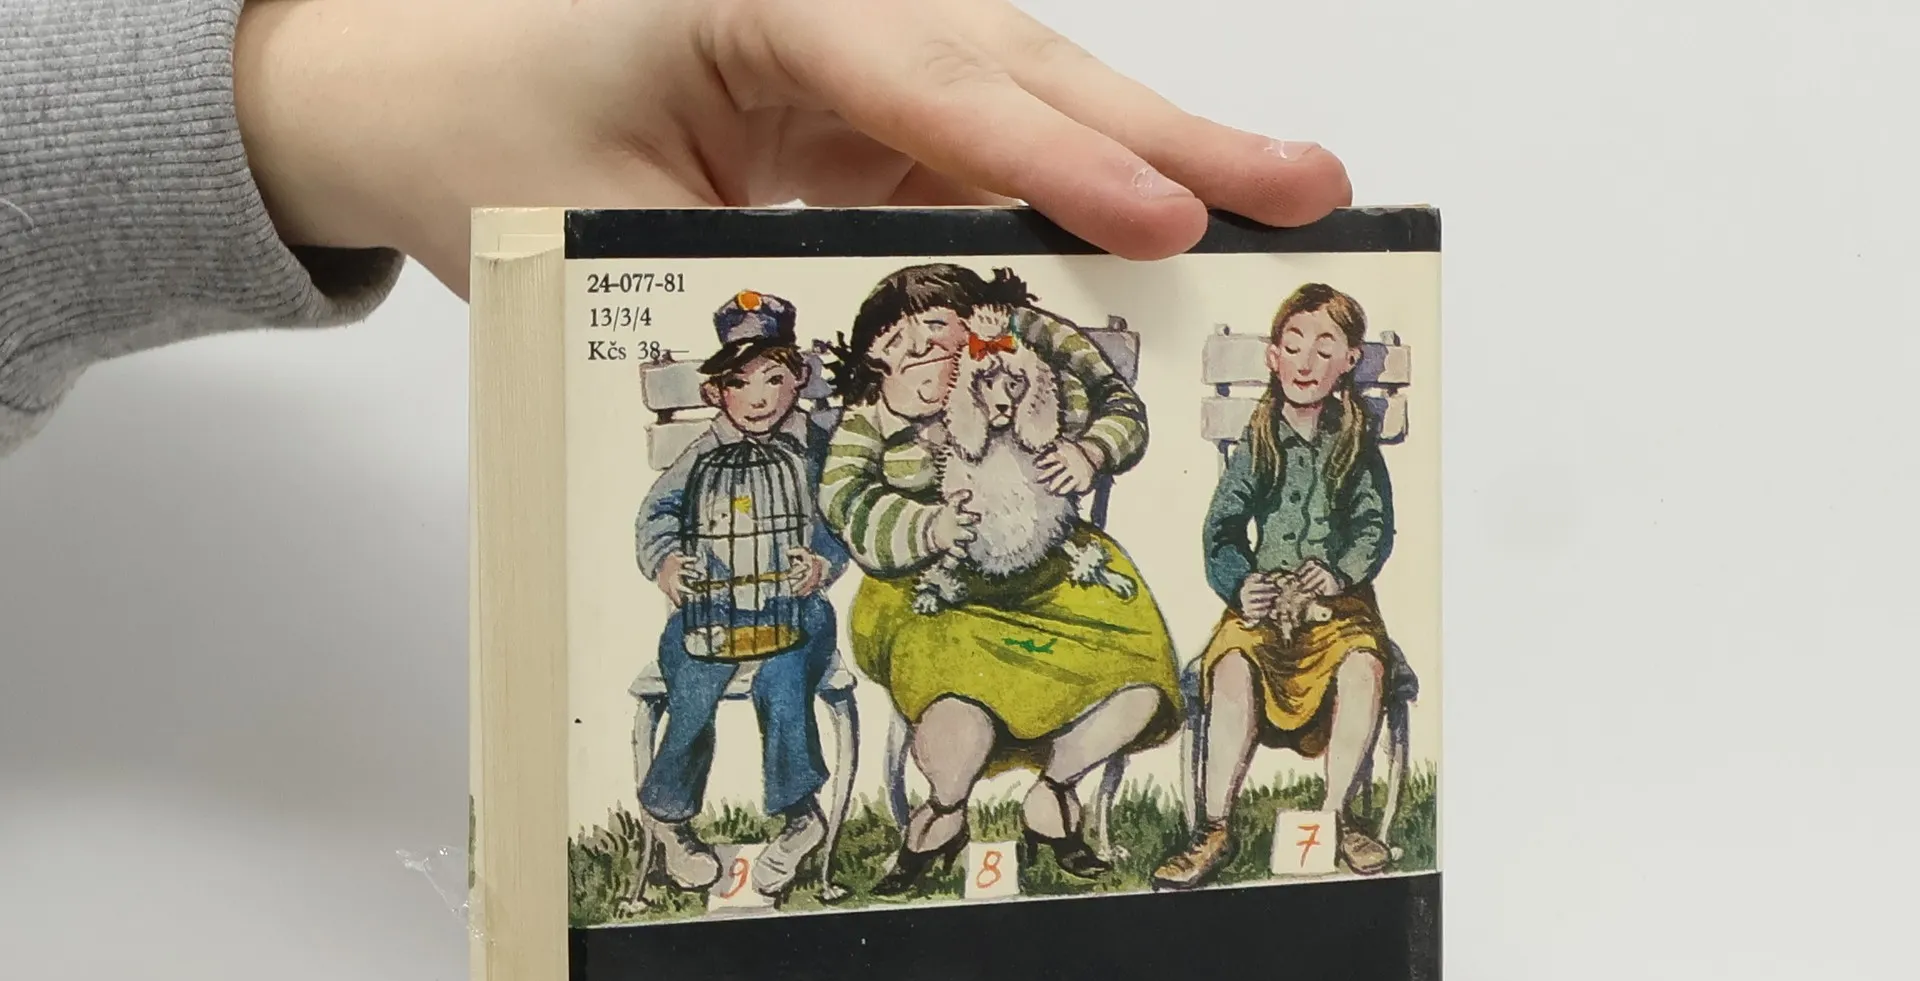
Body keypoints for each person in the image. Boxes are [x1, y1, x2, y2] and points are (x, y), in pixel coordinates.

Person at [0, 0, 1350, 458]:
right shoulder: (846, 436)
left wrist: (1069, 440)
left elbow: (1114, 419)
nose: (947, 354)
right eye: (919, 341)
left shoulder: (1026, 374)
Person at [820, 263, 1181, 894]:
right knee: (958, 719)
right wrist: (926, 526)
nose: (925, 350)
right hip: (936, 588)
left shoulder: (1033, 352)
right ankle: (944, 813)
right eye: (903, 341)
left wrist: (1091, 449)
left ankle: (1054, 792)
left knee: (1138, 682)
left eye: (938, 329)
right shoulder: (874, 414)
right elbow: (845, 501)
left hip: (1056, 573)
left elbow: (1120, 403)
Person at [1154, 281, 1413, 890]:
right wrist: (1240, 583)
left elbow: (1375, 525)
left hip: (1340, 608)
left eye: (1325, 349)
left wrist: (1341, 571)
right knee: (1232, 669)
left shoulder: (1355, 440)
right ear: (1273, 356)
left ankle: (1338, 817)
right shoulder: (1259, 437)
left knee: (1362, 669)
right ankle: (1214, 826)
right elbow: (1221, 528)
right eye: (1293, 346)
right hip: (1264, 605)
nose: (1306, 362)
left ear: (1349, 360)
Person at [634, 292, 847, 900]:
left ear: (798, 379)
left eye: (774, 379)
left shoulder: (816, 447)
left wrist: (822, 563)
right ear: (715, 392)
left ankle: (800, 816)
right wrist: (667, 561)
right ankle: (670, 819)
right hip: (714, 606)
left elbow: (841, 516)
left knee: (784, 680)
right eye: (740, 382)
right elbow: (657, 513)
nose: (759, 398)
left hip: (795, 606)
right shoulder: (703, 451)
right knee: (693, 679)